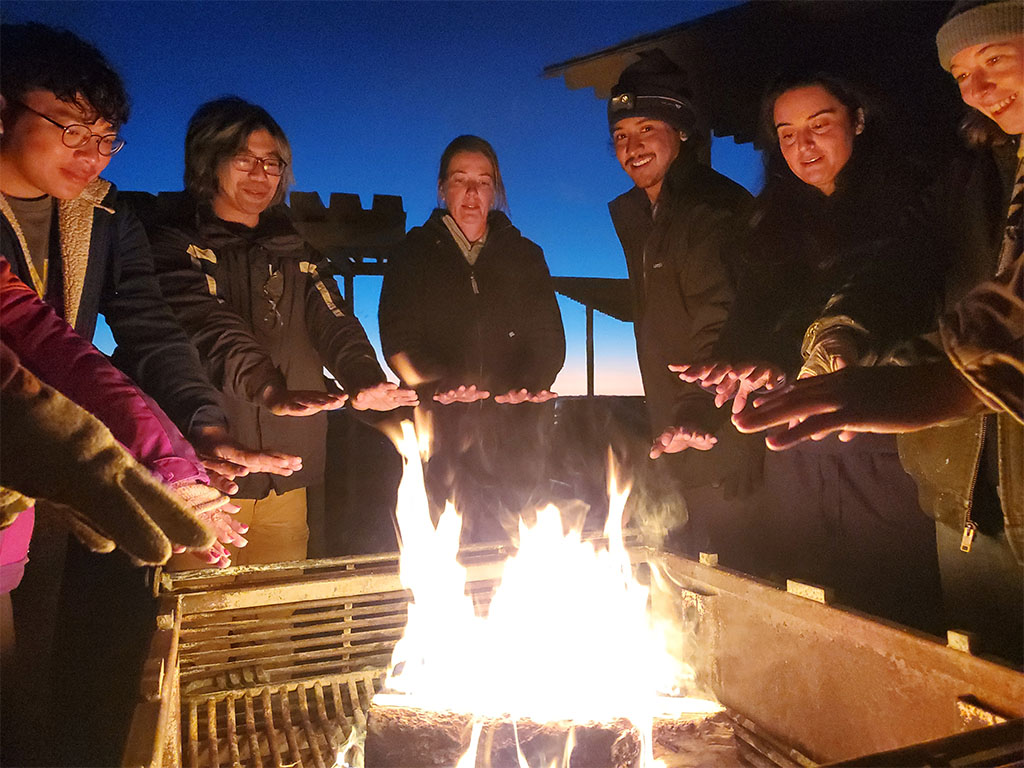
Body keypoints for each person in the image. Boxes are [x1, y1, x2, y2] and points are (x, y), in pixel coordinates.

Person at [728, 0, 1023, 664]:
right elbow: (904, 266)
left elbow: (1005, 320)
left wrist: (931, 382)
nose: (976, 88)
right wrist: (839, 337)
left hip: (906, 464)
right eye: (959, 71)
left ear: (858, 119)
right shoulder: (969, 177)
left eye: (995, 59)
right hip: (964, 497)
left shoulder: (900, 187)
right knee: (976, 691)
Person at [674, 72, 945, 631]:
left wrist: (845, 345)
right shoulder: (768, 227)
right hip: (794, 451)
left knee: (894, 617)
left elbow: (903, 296)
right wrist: (734, 374)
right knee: (806, 608)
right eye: (788, 133)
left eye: (819, 126)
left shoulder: (916, 206)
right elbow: (751, 327)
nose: (804, 146)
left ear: (859, 120)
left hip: (883, 446)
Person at [146, 96, 417, 566]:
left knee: (275, 618)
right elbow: (208, 327)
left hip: (288, 470)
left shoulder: (297, 251)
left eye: (272, 163)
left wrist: (362, 378)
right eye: (245, 159)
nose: (261, 174)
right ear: (209, 163)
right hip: (206, 474)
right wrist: (269, 388)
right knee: (197, 623)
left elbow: (333, 319)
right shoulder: (177, 245)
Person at [605, 50, 761, 567]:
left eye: (647, 127)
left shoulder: (709, 212)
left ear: (682, 130)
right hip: (681, 438)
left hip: (726, 442)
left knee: (738, 587)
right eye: (621, 134)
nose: (632, 146)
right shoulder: (648, 216)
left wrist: (702, 417)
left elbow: (726, 321)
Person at [379, 135, 565, 543]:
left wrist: (525, 384)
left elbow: (549, 338)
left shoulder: (525, 255)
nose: (471, 192)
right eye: (460, 180)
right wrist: (441, 383)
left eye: (482, 182)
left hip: (514, 435)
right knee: (443, 555)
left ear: (495, 191)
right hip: (437, 436)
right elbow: (398, 339)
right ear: (442, 188)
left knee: (517, 551)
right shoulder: (412, 255)